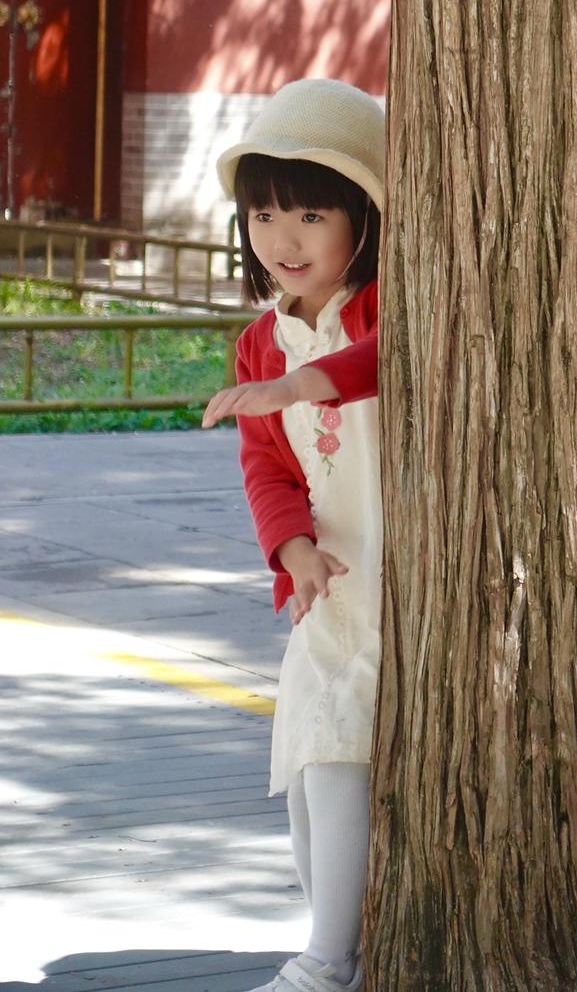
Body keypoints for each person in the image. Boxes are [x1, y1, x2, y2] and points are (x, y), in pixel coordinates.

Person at [202, 78, 383, 992]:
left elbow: (386, 360)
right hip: (329, 579)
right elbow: (266, 468)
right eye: (265, 214)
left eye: (312, 212)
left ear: (366, 214)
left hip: (399, 571)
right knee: (310, 755)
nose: (285, 238)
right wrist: (292, 550)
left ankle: (328, 956)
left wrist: (299, 388)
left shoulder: (387, 306)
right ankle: (332, 944)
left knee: (344, 748)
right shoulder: (259, 342)